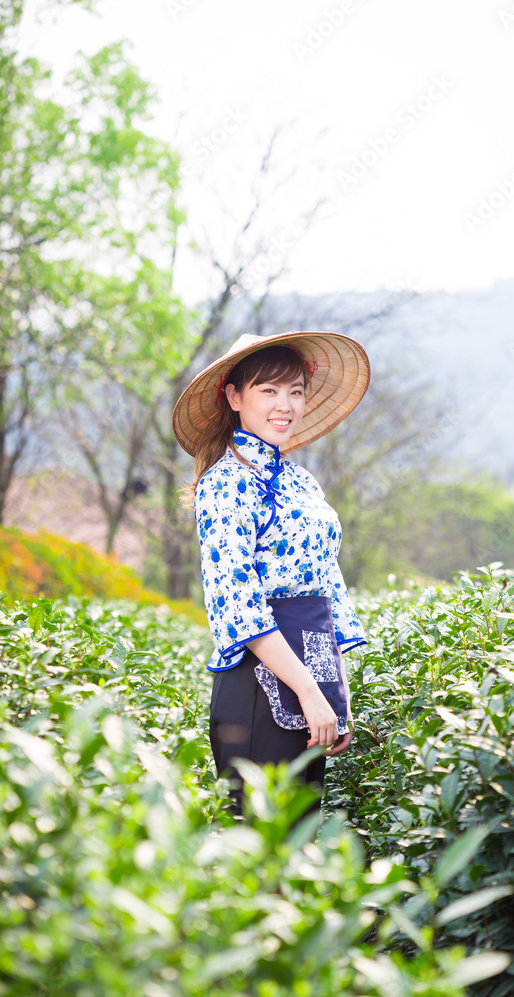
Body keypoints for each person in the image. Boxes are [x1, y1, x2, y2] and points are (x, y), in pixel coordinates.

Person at [172, 330, 371, 821]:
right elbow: (238, 608)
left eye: (296, 392)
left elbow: (330, 588)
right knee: (261, 859)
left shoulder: (304, 483)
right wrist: (310, 692)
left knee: (297, 850)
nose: (286, 404)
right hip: (257, 689)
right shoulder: (224, 484)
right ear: (235, 398)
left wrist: (335, 695)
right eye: (269, 390)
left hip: (314, 680)